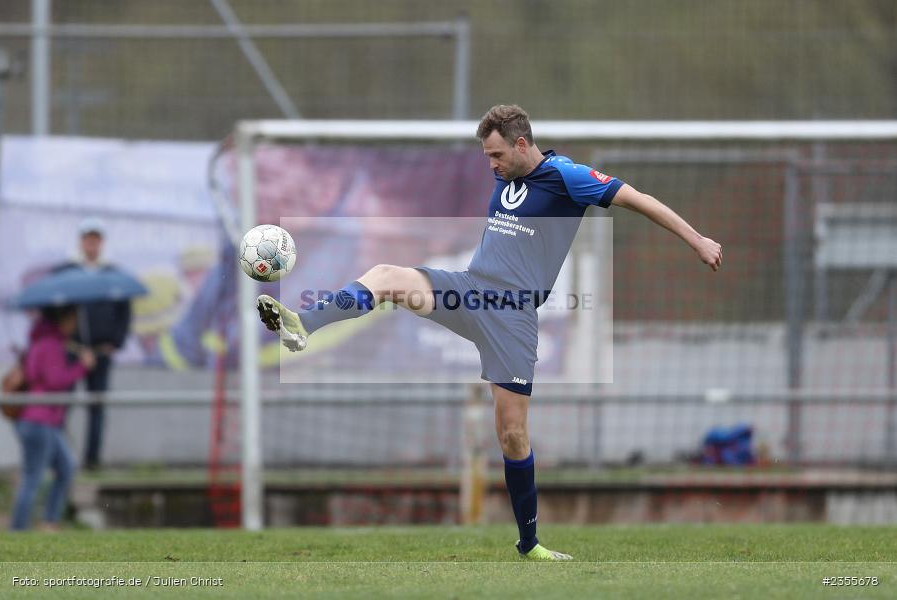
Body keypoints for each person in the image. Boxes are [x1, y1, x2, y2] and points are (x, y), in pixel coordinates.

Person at [256, 105, 723, 560]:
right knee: (385, 276)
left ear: (522, 144)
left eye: (497, 155)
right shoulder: (507, 178)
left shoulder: (567, 177)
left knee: (512, 434)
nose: (492, 165)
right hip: (470, 291)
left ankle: (529, 542)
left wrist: (698, 240)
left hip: (512, 315)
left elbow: (637, 199)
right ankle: (303, 325)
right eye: (487, 157)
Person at [53, 218, 132, 470]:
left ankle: (92, 460)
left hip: (100, 352)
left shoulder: (113, 275)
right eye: (88, 239)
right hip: (71, 352)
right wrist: (67, 343)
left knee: (97, 406)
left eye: (95, 239)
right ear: (81, 241)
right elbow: (55, 312)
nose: (91, 244)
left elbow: (124, 313)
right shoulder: (66, 273)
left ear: (101, 243)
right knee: (62, 405)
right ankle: (59, 459)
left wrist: (113, 343)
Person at [11, 305, 95, 531]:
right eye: (73, 318)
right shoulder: (50, 345)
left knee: (66, 468)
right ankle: (18, 531)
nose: (75, 324)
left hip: (43, 420)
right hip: (40, 419)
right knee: (32, 479)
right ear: (63, 319)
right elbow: (55, 381)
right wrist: (82, 367)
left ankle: (49, 522)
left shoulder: (40, 341)